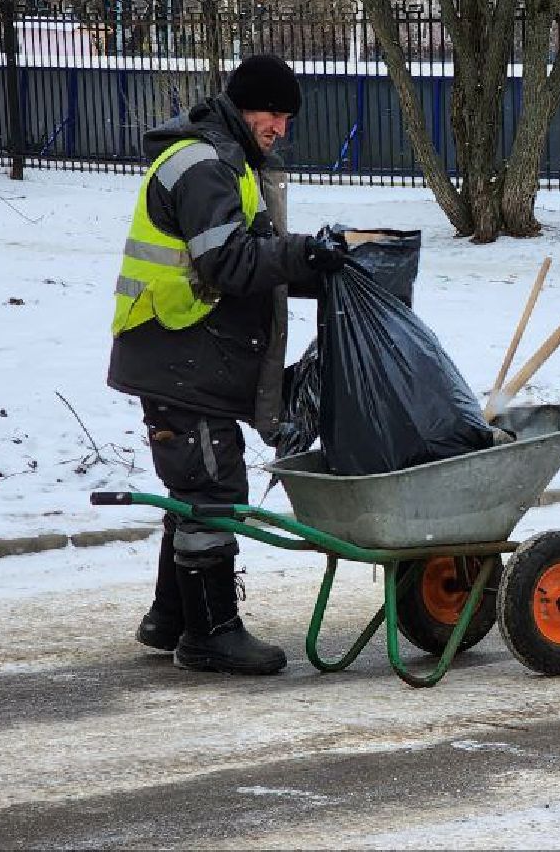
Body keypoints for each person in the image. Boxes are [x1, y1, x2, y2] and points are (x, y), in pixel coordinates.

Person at [108, 55, 344, 675]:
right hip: (176, 349)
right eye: (274, 114)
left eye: (288, 118)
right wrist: (301, 254)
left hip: (183, 352)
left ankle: (171, 617)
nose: (281, 129)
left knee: (194, 483)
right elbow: (229, 264)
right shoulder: (204, 165)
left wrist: (319, 268)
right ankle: (210, 632)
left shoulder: (230, 161)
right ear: (246, 106)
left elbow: (257, 262)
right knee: (213, 486)